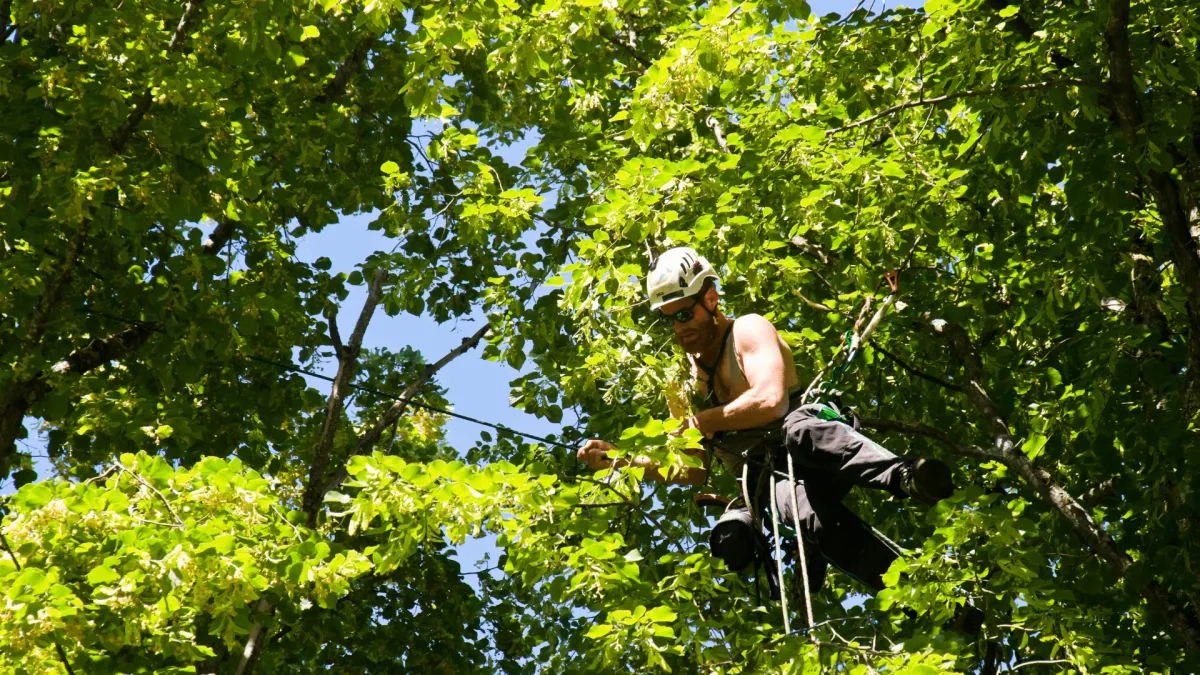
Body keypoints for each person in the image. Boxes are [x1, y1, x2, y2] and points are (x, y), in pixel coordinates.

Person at [576, 247, 955, 595]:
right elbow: (692, 470)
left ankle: (906, 476)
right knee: (813, 522)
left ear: (710, 301)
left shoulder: (746, 329)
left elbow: (771, 402)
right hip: (766, 476)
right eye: (668, 321)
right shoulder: (679, 384)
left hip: (816, 443)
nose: (678, 328)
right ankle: (918, 596)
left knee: (797, 431)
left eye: (684, 314)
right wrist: (621, 461)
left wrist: (699, 422)